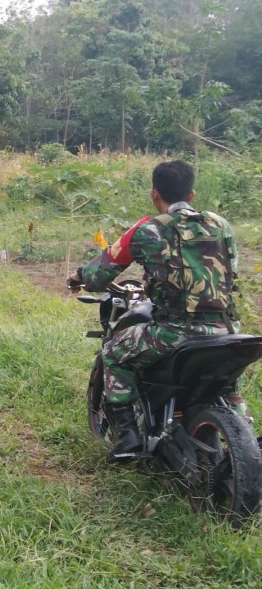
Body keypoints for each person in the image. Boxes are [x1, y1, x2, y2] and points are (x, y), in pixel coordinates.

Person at [67, 160, 240, 461]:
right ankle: (243, 428)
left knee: (112, 353)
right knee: (226, 382)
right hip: (226, 330)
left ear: (154, 193)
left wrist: (78, 277)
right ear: (192, 194)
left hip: (174, 331)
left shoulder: (147, 229)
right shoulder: (221, 225)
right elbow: (231, 269)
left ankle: (128, 438)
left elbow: (99, 273)